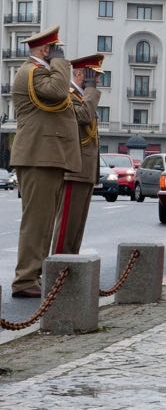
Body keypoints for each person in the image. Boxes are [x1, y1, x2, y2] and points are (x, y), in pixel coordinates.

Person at [10, 27, 82, 298]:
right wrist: (61, 63)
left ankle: (32, 276)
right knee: (37, 222)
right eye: (57, 49)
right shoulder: (34, 72)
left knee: (43, 221)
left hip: (45, 156)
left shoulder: (39, 71)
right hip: (38, 156)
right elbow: (56, 93)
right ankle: (25, 279)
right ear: (46, 50)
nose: (61, 55)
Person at [52, 54, 103, 255]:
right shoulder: (67, 95)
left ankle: (71, 267)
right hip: (73, 170)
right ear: (80, 73)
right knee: (66, 227)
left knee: (76, 229)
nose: (96, 81)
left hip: (85, 171)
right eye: (93, 76)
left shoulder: (84, 98)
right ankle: (58, 267)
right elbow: (82, 117)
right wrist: (90, 90)